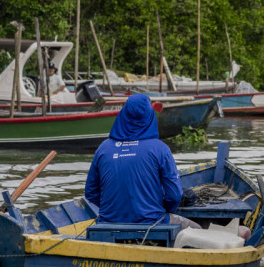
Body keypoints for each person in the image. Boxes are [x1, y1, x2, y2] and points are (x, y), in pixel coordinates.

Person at [84, 94, 197, 228]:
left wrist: (115, 213)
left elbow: (91, 193)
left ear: (123, 114)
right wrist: (164, 210)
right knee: (199, 231)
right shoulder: (160, 149)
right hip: (152, 222)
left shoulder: (103, 148)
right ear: (150, 116)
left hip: (108, 223)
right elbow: (174, 196)